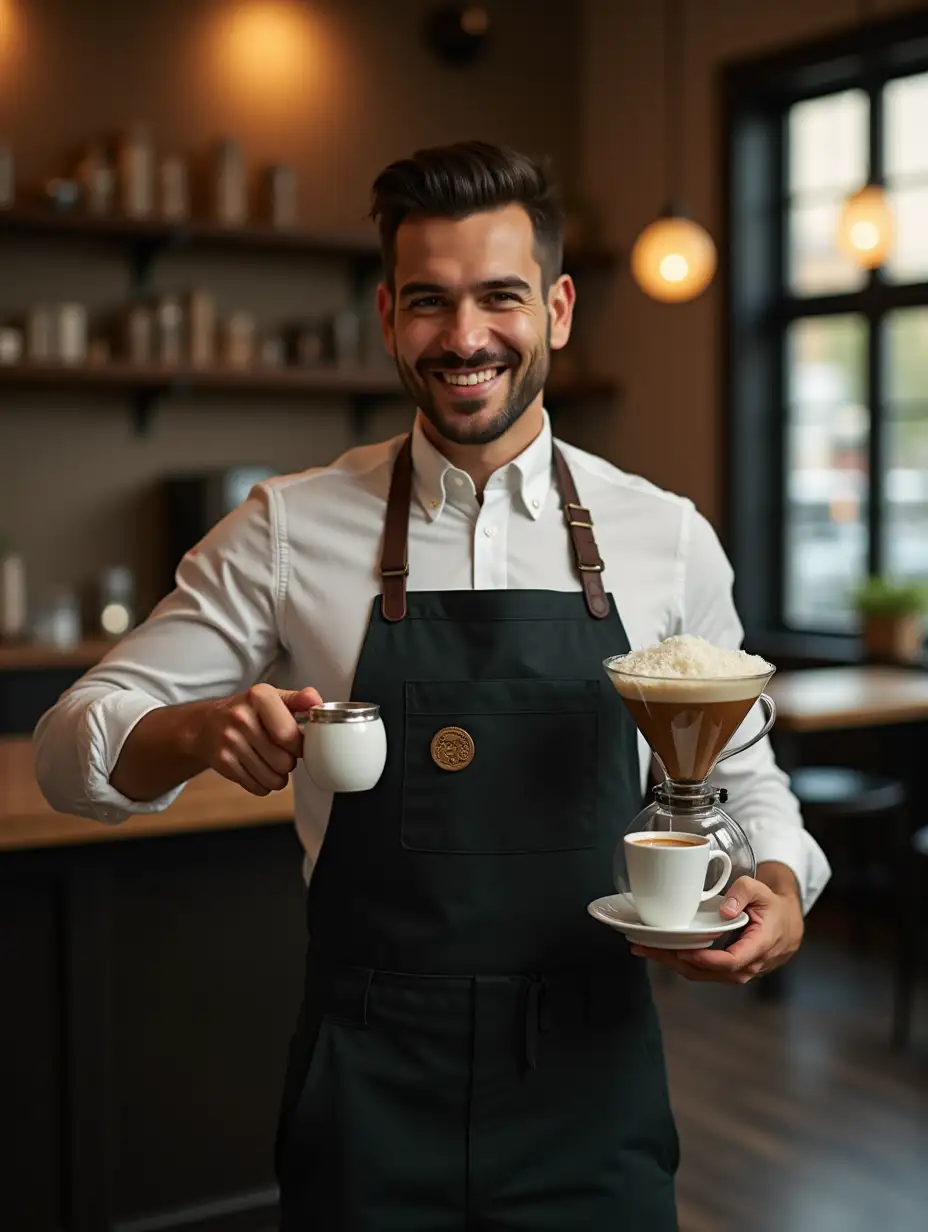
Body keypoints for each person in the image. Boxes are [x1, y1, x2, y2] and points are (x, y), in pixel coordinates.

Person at [34, 141, 830, 1230]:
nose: (463, 338)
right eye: (428, 302)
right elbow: (70, 742)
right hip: (368, 1083)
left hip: (591, 1080)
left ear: (555, 308)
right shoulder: (286, 527)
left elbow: (741, 775)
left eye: (498, 297)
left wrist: (779, 884)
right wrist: (197, 729)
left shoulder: (665, 537)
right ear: (385, 314)